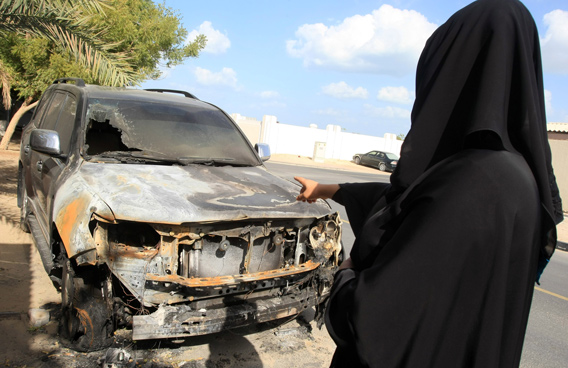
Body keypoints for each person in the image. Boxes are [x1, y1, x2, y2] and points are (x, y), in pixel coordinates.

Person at [295, 0, 563, 367]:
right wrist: (329, 189)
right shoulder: (515, 178)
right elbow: (411, 205)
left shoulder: (469, 183)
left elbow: (374, 322)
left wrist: (342, 276)